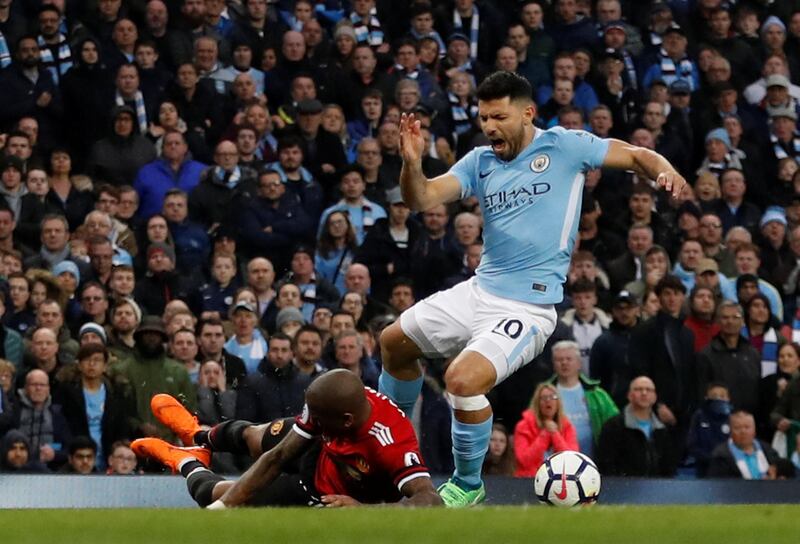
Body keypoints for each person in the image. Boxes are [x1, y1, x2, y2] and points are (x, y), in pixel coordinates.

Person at [379, 71, 686, 506]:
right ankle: (389, 456)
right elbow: (422, 199)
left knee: (462, 381)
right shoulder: (479, 162)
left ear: (527, 113)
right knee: (393, 343)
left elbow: (636, 155)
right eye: (484, 118)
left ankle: (467, 484)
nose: (489, 127)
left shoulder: (564, 146)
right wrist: (411, 163)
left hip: (528, 307)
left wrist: (665, 170)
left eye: (499, 117)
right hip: (480, 289)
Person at [131, 370, 441, 507]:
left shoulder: (391, 443)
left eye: (317, 419)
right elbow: (278, 456)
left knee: (214, 495)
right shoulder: (329, 405)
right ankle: (197, 433)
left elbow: (430, 501)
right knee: (257, 436)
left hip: (320, 492)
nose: (310, 420)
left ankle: (185, 459)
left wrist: (364, 510)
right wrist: (225, 508)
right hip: (318, 448)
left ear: (347, 420)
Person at [596, 376, 679, 477]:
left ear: (655, 397)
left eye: (648, 390)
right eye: (638, 389)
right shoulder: (613, 426)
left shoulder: (662, 429)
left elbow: (669, 467)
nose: (644, 393)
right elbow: (606, 465)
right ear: (629, 395)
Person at [513, 383, 578, 477]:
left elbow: (571, 460)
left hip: (561, 481)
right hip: (528, 480)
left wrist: (555, 434)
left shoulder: (568, 427)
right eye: (543, 398)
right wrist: (545, 434)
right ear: (537, 403)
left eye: (552, 397)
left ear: (558, 402)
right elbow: (524, 461)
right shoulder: (523, 426)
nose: (548, 401)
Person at [707, 411, 779, 480]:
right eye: (737, 428)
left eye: (747, 427)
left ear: (754, 430)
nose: (743, 432)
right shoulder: (720, 456)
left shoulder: (768, 450)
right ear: (730, 431)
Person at [687, 383, 733, 477]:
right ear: (706, 398)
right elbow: (692, 444)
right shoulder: (699, 416)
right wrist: (711, 459)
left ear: (728, 399)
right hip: (704, 468)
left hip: (729, 468)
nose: (718, 399)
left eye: (722, 396)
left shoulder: (733, 418)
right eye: (714, 396)